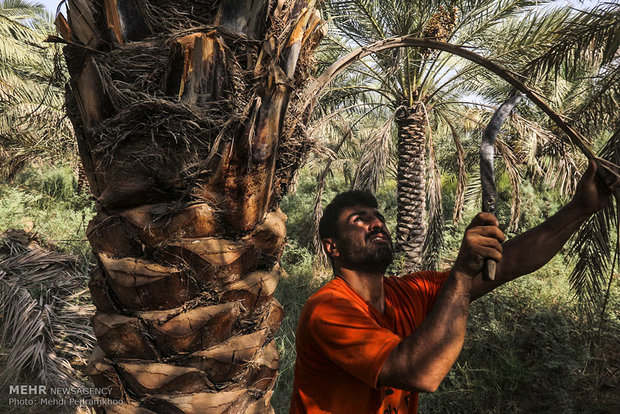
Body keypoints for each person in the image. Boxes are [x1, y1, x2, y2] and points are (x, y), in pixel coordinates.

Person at [289, 160, 618, 414]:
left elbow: (511, 262)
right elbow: (419, 373)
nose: (376, 223)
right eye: (358, 219)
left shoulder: (409, 293)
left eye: (378, 216)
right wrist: (461, 272)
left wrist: (581, 207)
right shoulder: (328, 308)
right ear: (332, 247)